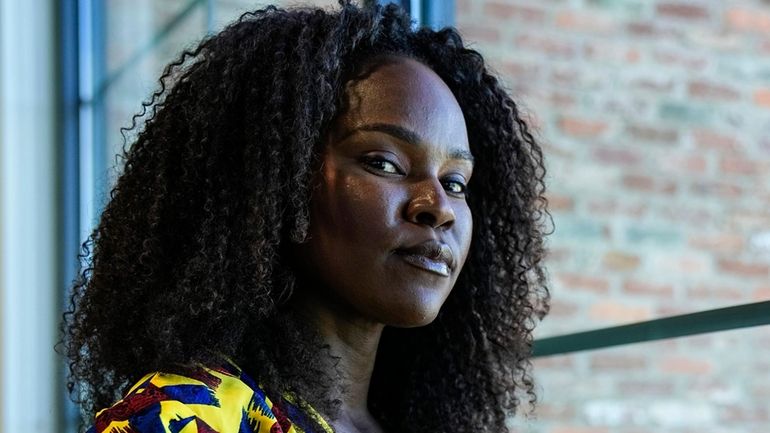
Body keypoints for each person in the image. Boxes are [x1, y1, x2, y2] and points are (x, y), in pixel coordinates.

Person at [61, 2, 550, 432]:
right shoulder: (188, 416)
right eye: (383, 163)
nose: (438, 206)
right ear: (275, 182)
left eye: (456, 182)